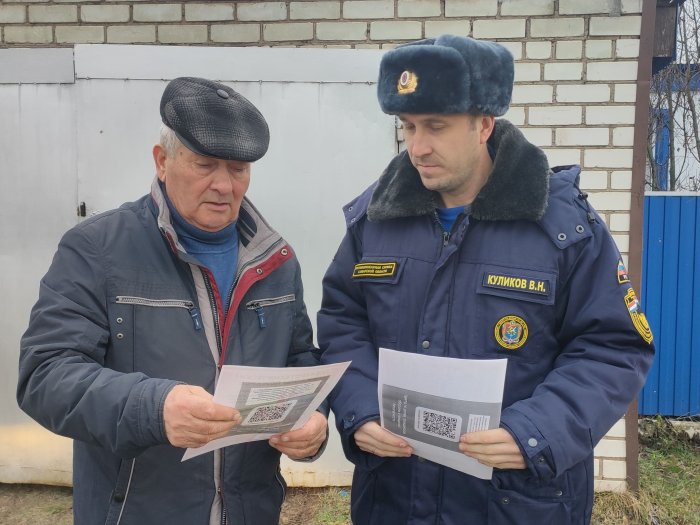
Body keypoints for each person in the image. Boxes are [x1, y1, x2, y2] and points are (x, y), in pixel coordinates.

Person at [318, 35, 655, 524]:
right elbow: (343, 323)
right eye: (408, 126)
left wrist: (535, 432)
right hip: (394, 497)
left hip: (516, 503)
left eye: (436, 126)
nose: (418, 147)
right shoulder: (375, 220)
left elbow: (612, 348)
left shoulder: (564, 227)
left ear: (484, 124)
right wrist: (360, 408)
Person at [17, 77, 327, 525]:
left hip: (251, 511)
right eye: (205, 165)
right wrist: (153, 408)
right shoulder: (97, 249)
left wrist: (313, 420)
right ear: (162, 161)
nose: (224, 185)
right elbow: (45, 375)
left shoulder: (275, 259)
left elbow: (298, 359)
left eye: (238, 169)